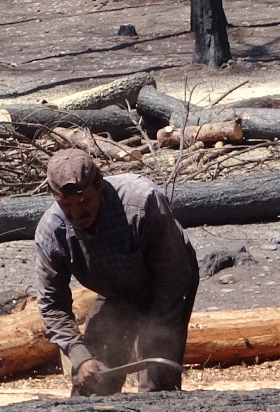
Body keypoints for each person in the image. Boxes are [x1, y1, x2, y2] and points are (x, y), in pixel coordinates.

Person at [34, 148, 200, 396]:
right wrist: (79, 356)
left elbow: (173, 274)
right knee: (92, 378)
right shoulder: (51, 233)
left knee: (156, 374)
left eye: (84, 202)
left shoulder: (142, 202)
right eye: (66, 205)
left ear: (99, 185)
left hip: (168, 280)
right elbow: (52, 305)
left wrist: (156, 334)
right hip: (116, 290)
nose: (77, 214)